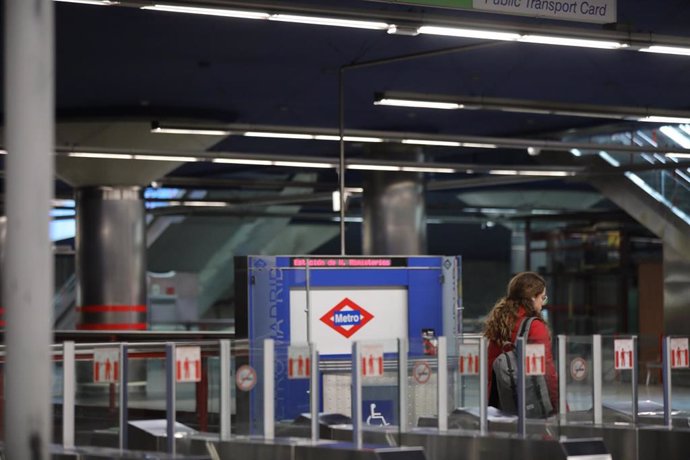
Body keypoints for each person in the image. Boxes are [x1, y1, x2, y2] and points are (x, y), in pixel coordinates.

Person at [484, 271, 558, 414]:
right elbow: (546, 371)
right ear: (532, 297)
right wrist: (557, 405)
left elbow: (490, 370)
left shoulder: (499, 322)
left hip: (498, 404)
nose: (543, 304)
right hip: (529, 405)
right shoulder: (535, 327)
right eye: (542, 298)